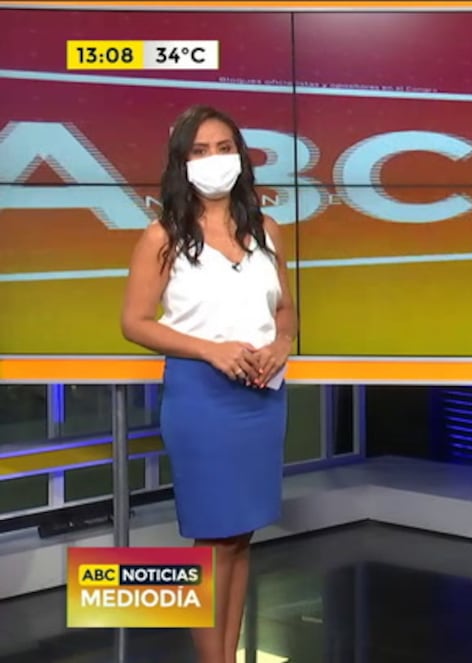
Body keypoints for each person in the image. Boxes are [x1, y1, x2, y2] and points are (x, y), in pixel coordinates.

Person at [120, 104, 296, 663]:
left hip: (262, 397)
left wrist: (281, 344)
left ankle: (227, 654)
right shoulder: (163, 236)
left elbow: (285, 311)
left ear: (241, 156)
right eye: (199, 151)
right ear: (181, 162)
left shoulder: (268, 231)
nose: (214, 159)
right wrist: (210, 349)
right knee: (214, 537)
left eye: (223, 148)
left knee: (240, 539)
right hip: (202, 397)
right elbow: (135, 322)